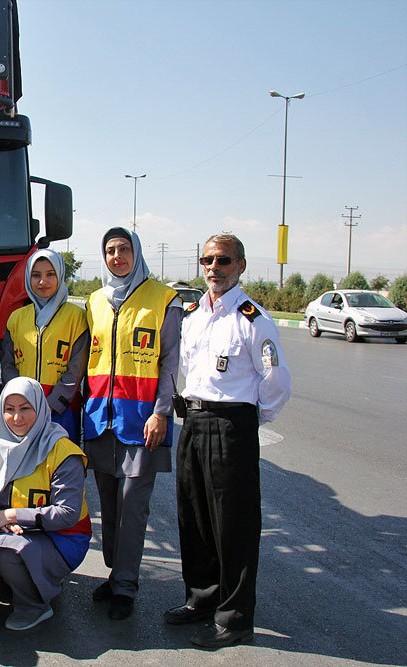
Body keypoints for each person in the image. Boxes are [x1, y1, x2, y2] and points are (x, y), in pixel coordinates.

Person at [164, 233, 291, 649]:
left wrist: (246, 419)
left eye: (223, 261)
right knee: (194, 518)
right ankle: (201, 599)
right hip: (194, 423)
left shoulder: (254, 319)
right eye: (207, 260)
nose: (213, 268)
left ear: (240, 266)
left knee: (233, 526)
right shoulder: (195, 314)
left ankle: (235, 618)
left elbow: (276, 382)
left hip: (230, 426)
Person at [81, 227, 182, 620]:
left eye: (124, 249)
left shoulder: (163, 300)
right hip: (100, 421)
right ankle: (115, 571)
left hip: (143, 422)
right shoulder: (94, 301)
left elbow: (170, 362)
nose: (117, 256)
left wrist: (162, 412)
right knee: (108, 506)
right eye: (110, 250)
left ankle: (125, 585)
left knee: (133, 507)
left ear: (136, 253)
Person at [0, 378, 92, 631]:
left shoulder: (63, 452)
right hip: (11, 535)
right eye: (9, 408)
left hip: (62, 539)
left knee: (6, 553)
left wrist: (12, 515)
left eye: (25, 408)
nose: (16, 417)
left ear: (40, 408)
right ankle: (25, 581)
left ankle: (35, 606)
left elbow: (67, 514)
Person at [1, 247, 89, 441]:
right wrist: (22, 402)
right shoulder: (16, 318)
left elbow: (76, 370)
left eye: (50, 274)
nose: (43, 282)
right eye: (36, 275)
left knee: (60, 465)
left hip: (61, 411)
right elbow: (8, 364)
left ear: (60, 276)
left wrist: (50, 405)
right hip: (22, 412)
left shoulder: (76, 317)